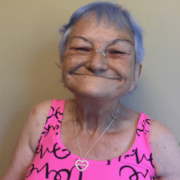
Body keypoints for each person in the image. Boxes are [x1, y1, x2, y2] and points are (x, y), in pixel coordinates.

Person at [1, 1, 180, 180]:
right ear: (63, 65)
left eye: (117, 51)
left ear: (135, 74)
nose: (96, 64)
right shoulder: (41, 119)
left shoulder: (156, 140)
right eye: (81, 48)